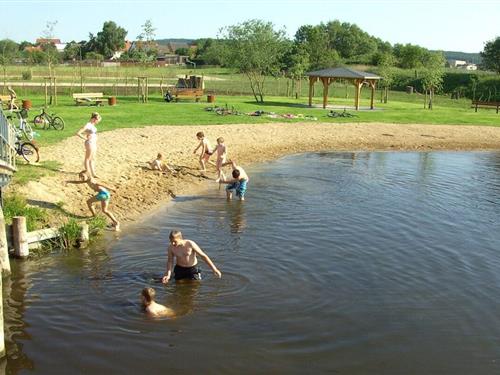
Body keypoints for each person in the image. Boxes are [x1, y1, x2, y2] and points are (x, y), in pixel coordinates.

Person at [76, 112, 101, 179]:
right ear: (93, 119)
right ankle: (89, 173)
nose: (98, 121)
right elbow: (78, 133)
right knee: (88, 158)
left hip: (93, 143)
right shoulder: (88, 125)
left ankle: (93, 173)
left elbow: (89, 132)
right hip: (89, 143)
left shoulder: (92, 125)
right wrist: (85, 138)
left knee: (92, 159)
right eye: (97, 119)